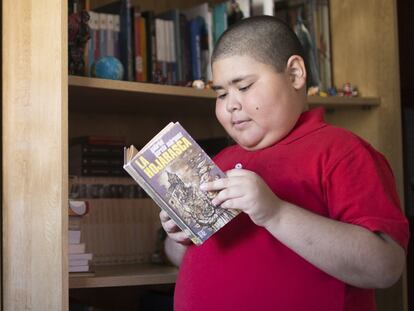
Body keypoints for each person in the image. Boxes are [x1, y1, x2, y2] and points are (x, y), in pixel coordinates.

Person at [159, 15, 409, 311]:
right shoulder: (219, 162)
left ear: (294, 74)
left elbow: (385, 267)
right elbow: (190, 260)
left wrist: (274, 212)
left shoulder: (342, 152)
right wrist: (179, 237)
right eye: (221, 93)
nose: (231, 104)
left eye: (245, 86)